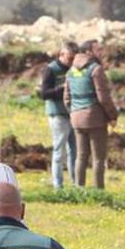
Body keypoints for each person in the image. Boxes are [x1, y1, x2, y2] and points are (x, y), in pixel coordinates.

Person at [64, 40, 118, 189]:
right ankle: (98, 191)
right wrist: (112, 116)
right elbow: (103, 97)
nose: (101, 52)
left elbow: (67, 98)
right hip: (95, 119)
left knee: (80, 156)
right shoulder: (96, 70)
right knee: (98, 158)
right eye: (98, 49)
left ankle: (78, 189)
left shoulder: (70, 71)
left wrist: (74, 112)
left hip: (77, 119)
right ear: (88, 52)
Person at [39, 42, 78, 188]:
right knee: (59, 150)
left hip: (73, 114)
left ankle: (76, 183)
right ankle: (58, 185)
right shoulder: (51, 70)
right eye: (69, 58)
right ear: (61, 55)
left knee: (74, 151)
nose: (71, 62)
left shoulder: (74, 69)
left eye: (74, 59)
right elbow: (44, 93)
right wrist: (62, 89)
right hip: (58, 115)